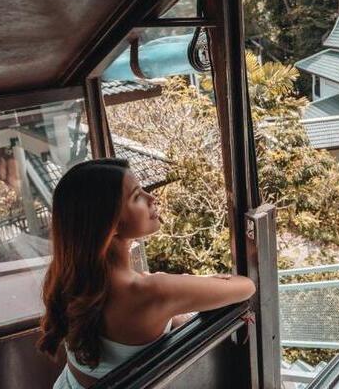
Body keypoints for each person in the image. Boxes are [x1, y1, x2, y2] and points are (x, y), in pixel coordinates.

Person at [37, 158, 255, 388]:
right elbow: (246, 286)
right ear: (109, 225)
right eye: (137, 196)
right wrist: (189, 281)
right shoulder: (150, 291)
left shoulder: (71, 277)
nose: (152, 198)